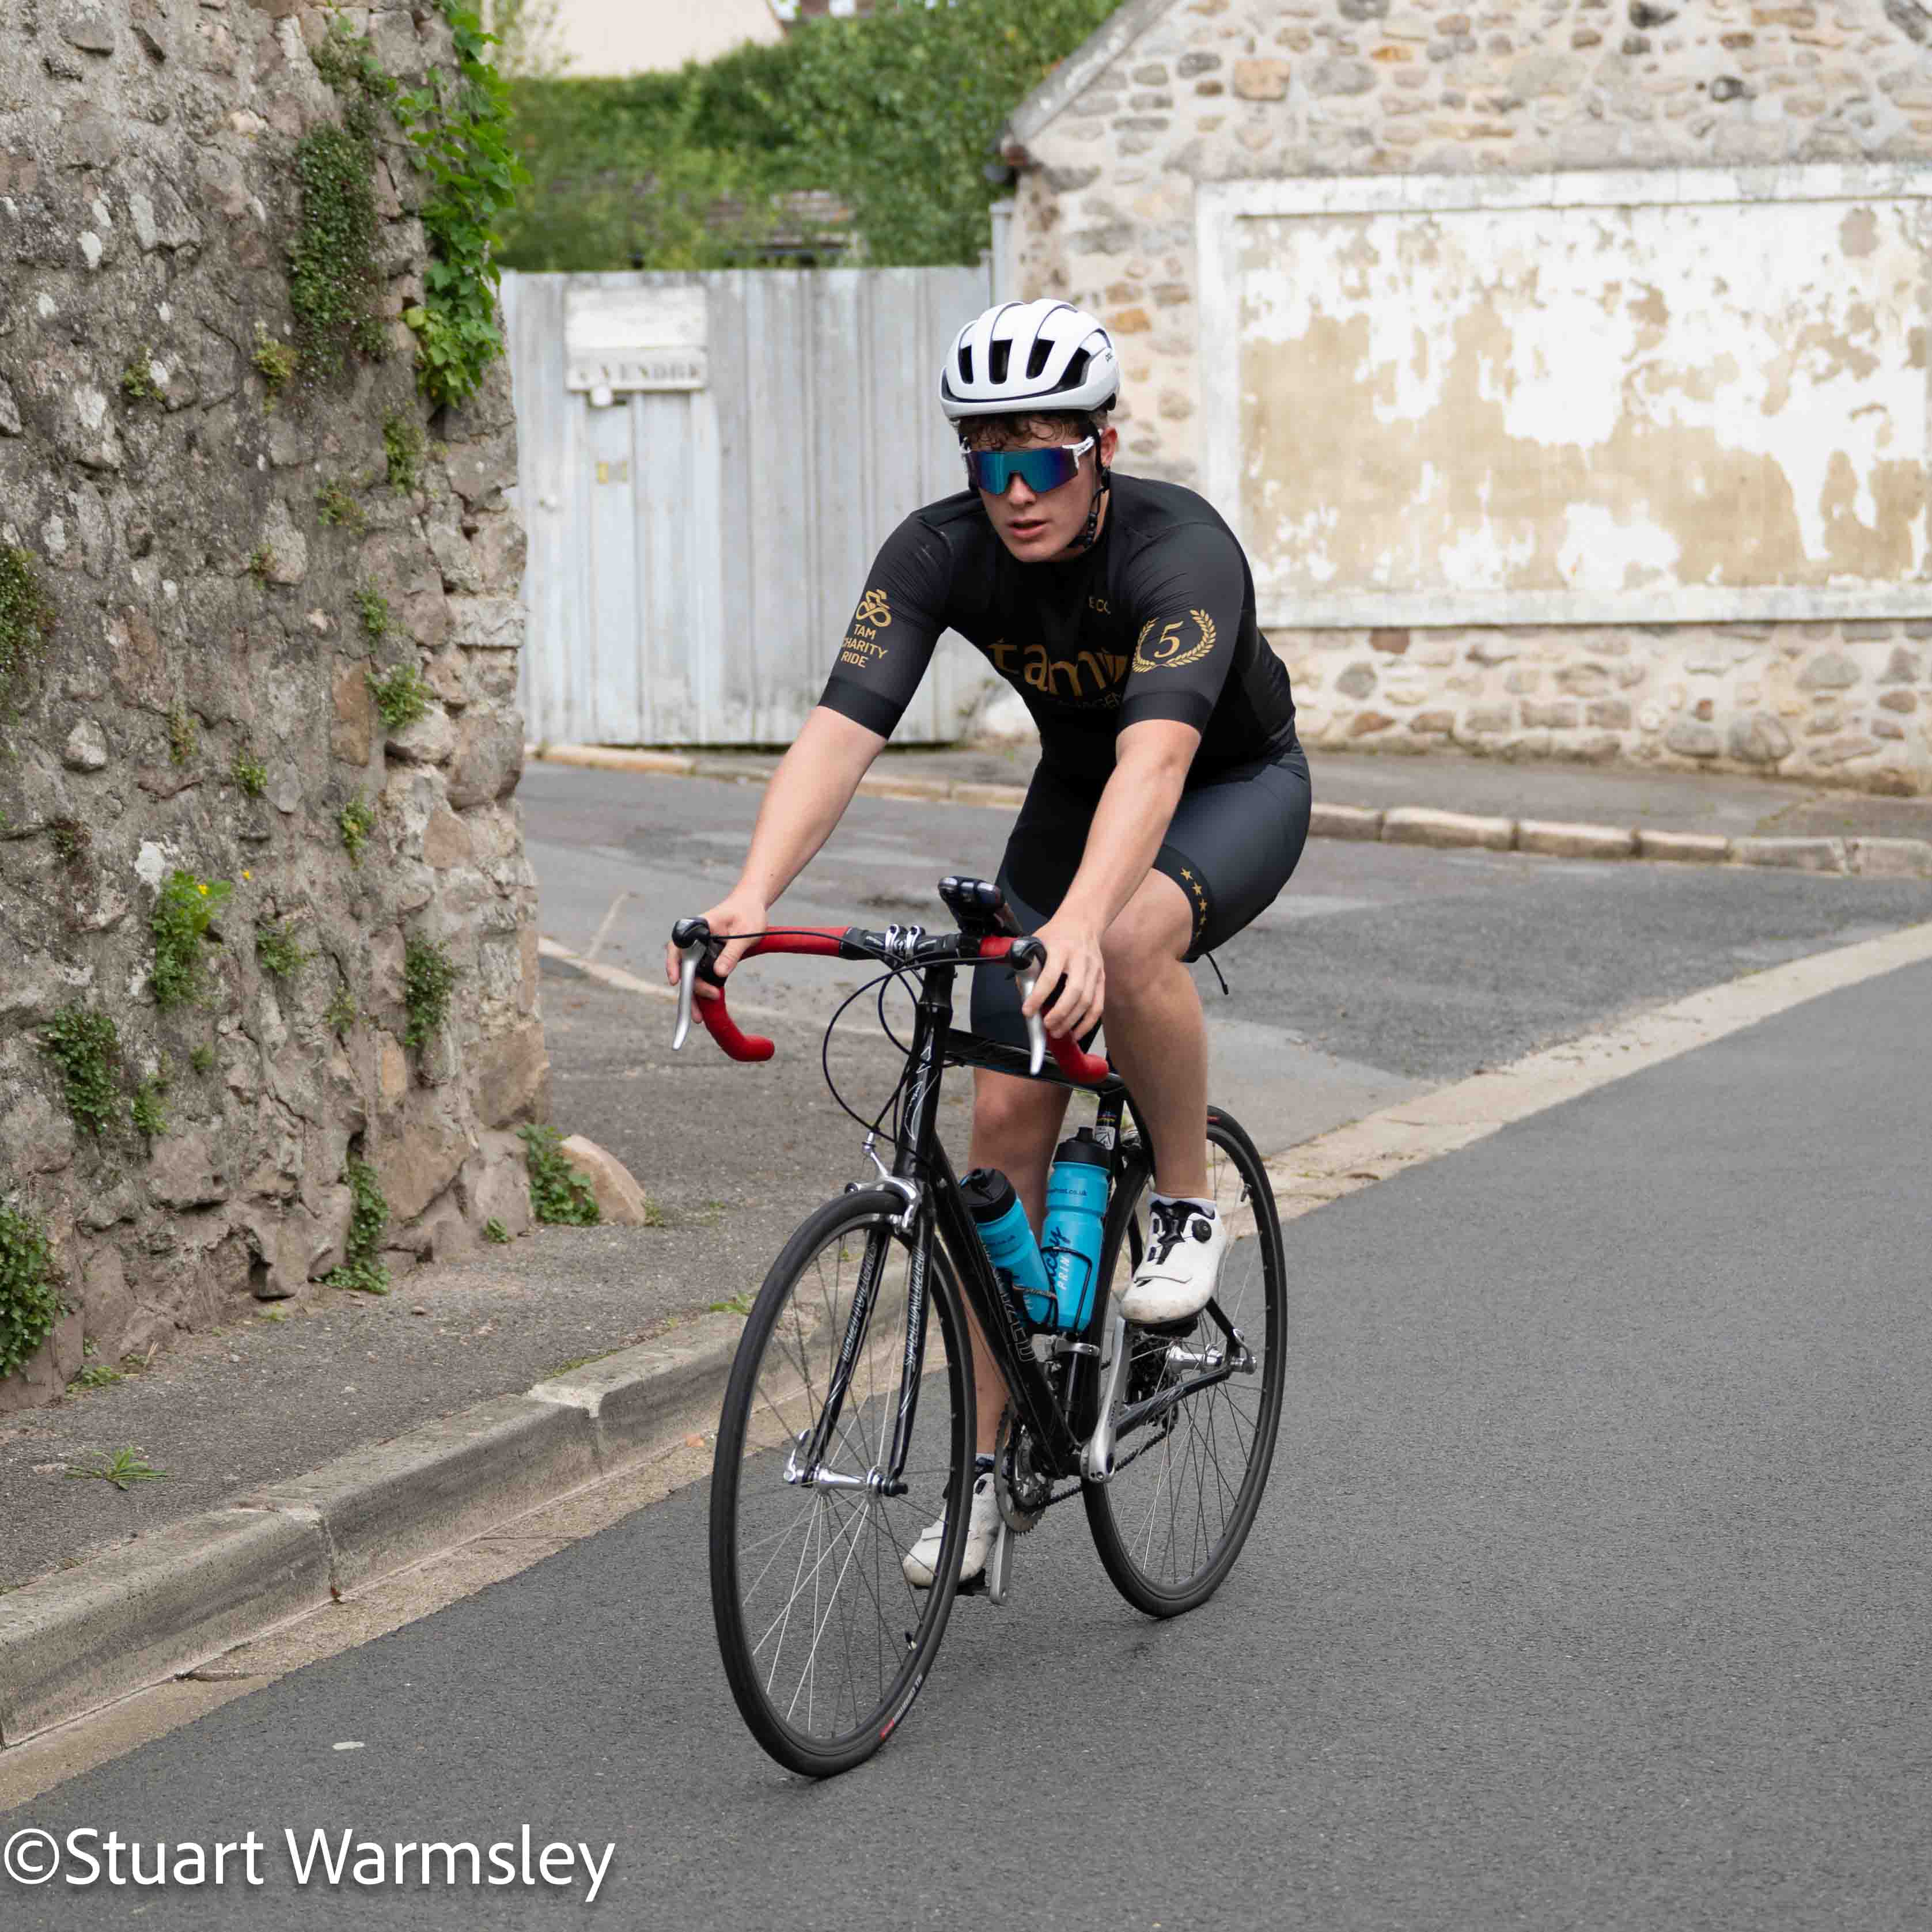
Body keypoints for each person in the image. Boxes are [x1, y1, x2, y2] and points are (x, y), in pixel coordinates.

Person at [665, 299, 1310, 1584]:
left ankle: (1185, 1205)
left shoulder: (1183, 550)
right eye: (986, 459)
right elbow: (843, 729)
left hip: (1227, 786)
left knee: (1125, 941)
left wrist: (1076, 924)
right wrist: (749, 893)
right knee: (1000, 1127)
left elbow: (1158, 760)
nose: (1014, 493)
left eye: (1043, 460)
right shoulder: (936, 550)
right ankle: (984, 1480)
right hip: (1076, 795)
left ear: (1100, 448)